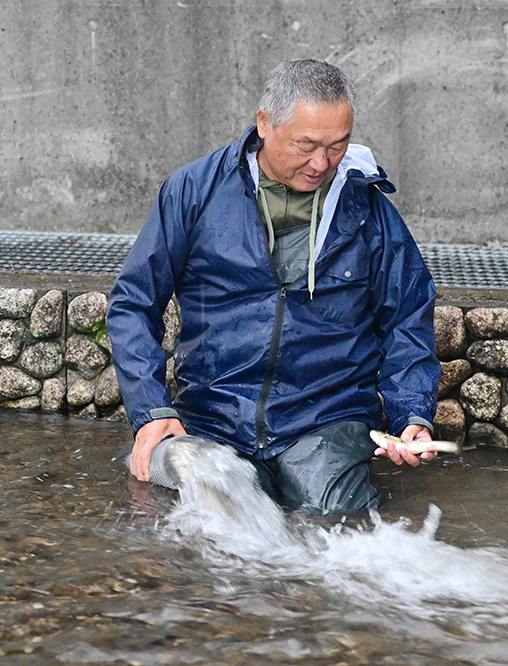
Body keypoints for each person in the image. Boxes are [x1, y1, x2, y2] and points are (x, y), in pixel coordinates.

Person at [107, 58, 440, 514]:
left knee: (333, 515)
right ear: (264, 123)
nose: (321, 163)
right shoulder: (193, 191)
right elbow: (133, 303)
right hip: (215, 411)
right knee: (206, 497)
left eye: (338, 145)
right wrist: (152, 410)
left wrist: (411, 416)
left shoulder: (366, 206)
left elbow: (406, 315)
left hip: (327, 414)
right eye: (306, 145)